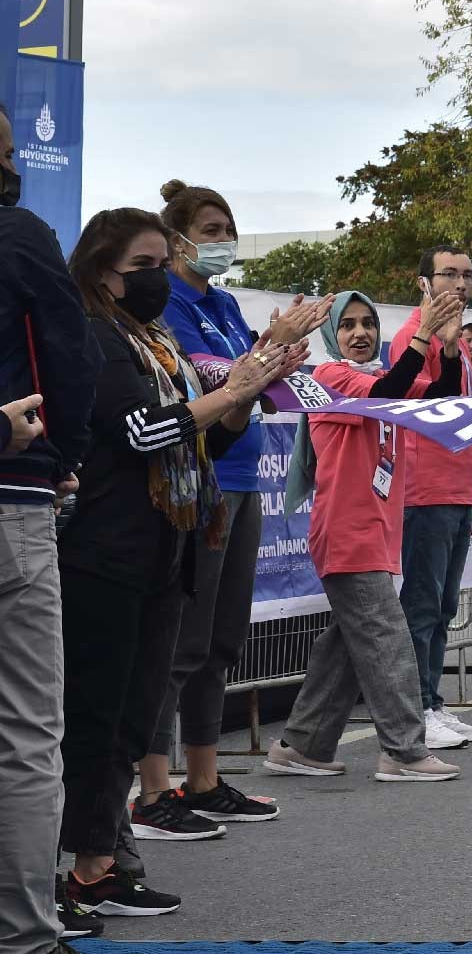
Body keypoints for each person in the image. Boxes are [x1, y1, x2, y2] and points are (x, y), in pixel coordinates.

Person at [58, 208, 297, 922]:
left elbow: (196, 448)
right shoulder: (94, 337)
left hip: (167, 546)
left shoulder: (156, 342)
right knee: (95, 720)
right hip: (106, 553)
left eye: (165, 262)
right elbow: (144, 432)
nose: (160, 277)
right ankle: (77, 870)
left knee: (132, 719)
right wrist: (229, 391)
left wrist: (239, 400)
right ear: (104, 271)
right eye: (145, 266)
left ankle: (102, 866)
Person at [137, 181, 335, 834]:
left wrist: (281, 358)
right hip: (198, 479)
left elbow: (259, 385)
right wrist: (269, 347)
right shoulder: (166, 303)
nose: (222, 241)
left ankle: (204, 777)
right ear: (176, 240)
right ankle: (152, 789)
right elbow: (213, 379)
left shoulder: (222, 303)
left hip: (246, 476)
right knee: (182, 639)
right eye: (211, 229)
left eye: (229, 230)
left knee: (223, 639)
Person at [268, 291, 472, 785]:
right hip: (347, 532)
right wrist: (424, 333)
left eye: (368, 323)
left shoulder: (378, 376)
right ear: (331, 336)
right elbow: (391, 388)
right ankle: (404, 751)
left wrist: (448, 349)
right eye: (349, 326)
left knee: (349, 643)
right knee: (387, 637)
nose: (360, 333)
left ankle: (301, 744)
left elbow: (438, 397)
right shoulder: (329, 377)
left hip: (374, 533)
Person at [0, 112, 115, 954]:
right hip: (14, 498)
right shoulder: (21, 233)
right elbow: (66, 355)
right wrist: (63, 455)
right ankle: (21, 945)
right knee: (27, 733)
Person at [388, 246, 472, 748]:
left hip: (455, 483)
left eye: (467, 274)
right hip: (424, 486)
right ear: (425, 282)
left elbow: (457, 403)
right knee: (423, 605)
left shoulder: (458, 342)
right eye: (448, 273)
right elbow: (425, 405)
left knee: (445, 604)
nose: (460, 282)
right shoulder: (413, 334)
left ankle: (433, 702)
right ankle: (415, 709)